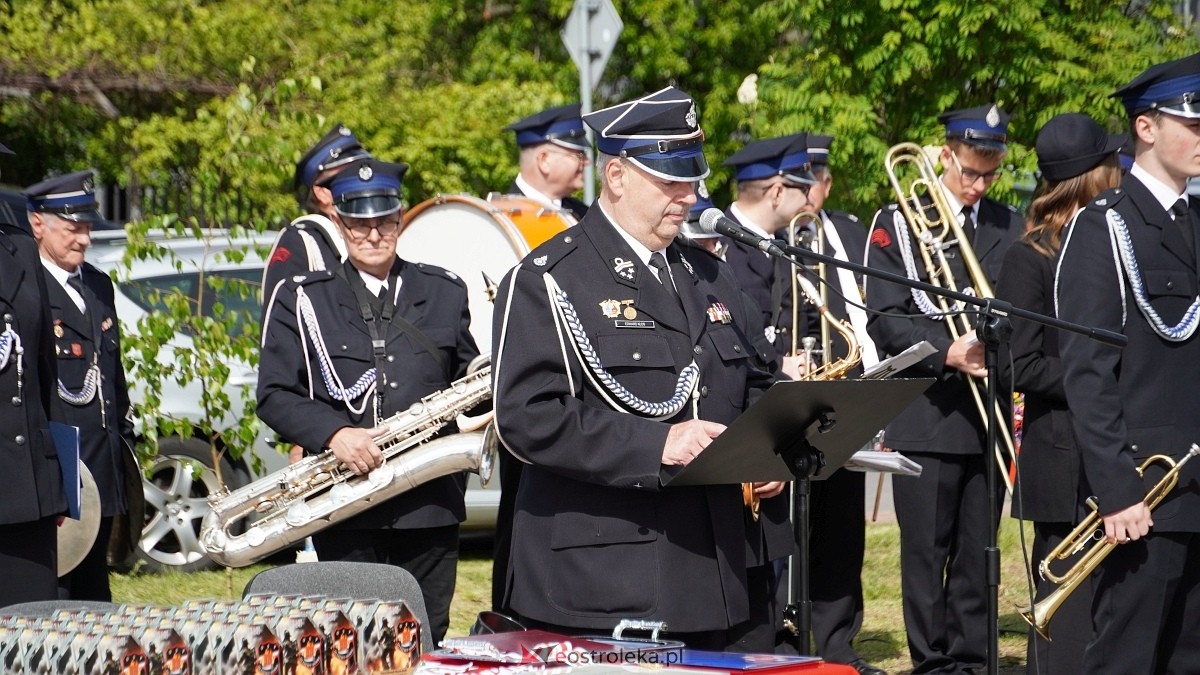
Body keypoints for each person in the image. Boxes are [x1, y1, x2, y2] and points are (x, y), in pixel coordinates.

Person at [491, 86, 780, 649]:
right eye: (669, 180)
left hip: (721, 570)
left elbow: (759, 381)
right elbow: (526, 418)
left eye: (691, 179)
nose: (688, 195)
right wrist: (657, 444)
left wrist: (770, 450)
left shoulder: (711, 274)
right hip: (608, 577)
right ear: (618, 176)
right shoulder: (551, 277)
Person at [257, 157, 480, 645]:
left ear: (400, 219)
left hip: (430, 504)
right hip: (345, 503)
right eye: (360, 222)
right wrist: (334, 434)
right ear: (339, 222)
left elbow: (471, 379)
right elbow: (274, 394)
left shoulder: (444, 291)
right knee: (348, 640)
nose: (373, 234)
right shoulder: (303, 297)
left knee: (425, 638)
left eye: (384, 221)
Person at [1055, 51, 1200, 674]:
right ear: (1146, 127)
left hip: (1195, 485)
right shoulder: (1104, 226)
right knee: (1129, 658)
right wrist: (1116, 491)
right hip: (1146, 494)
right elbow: (1087, 372)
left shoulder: (1195, 221)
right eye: (1193, 123)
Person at [863, 104, 1021, 674]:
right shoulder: (899, 223)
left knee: (981, 549)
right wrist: (948, 350)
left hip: (988, 413)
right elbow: (884, 318)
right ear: (945, 156)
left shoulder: (1009, 223)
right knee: (926, 554)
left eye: (990, 173)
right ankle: (931, 663)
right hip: (926, 414)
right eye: (970, 172)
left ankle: (973, 660)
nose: (979, 185)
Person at [994, 113, 1123, 675]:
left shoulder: (1116, 243)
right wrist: (1100, 380)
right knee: (1069, 625)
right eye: (1112, 164)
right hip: (1064, 457)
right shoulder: (1031, 256)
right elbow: (1017, 363)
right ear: (1093, 177)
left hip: (1115, 450)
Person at [784, 133, 883, 675]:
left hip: (851, 389)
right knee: (794, 526)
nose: (807, 197)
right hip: (798, 394)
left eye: (814, 185)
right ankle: (789, 634)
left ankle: (838, 643)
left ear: (825, 185)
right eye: (797, 186)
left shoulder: (846, 231)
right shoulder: (773, 240)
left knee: (844, 527)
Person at [491, 103, 592, 614]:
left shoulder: (579, 218)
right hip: (527, 384)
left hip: (584, 385)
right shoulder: (496, 217)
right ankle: (514, 614)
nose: (585, 165)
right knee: (521, 510)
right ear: (545, 158)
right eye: (576, 155)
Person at [25, 170, 136, 601]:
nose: (85, 239)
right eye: (73, 229)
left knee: (96, 598)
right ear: (39, 224)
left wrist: (124, 448)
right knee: (57, 597)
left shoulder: (97, 285)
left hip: (102, 468)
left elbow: (113, 379)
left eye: (88, 228)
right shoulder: (29, 288)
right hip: (61, 469)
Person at [0, 141, 67, 608]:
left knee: (29, 636)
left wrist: (57, 473)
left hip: (24, 487)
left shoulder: (20, 249)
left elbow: (46, 373)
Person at [721, 133, 818, 371]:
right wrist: (779, 365)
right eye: (804, 189)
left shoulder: (788, 246)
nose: (809, 199)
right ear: (776, 193)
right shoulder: (719, 248)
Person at [262, 123, 373, 301]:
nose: (361, 184)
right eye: (348, 178)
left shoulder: (378, 233)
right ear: (321, 192)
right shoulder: (299, 242)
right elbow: (280, 319)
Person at [503, 103, 590, 220]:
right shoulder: (503, 217)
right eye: (579, 155)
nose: (587, 162)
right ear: (544, 161)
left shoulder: (584, 215)